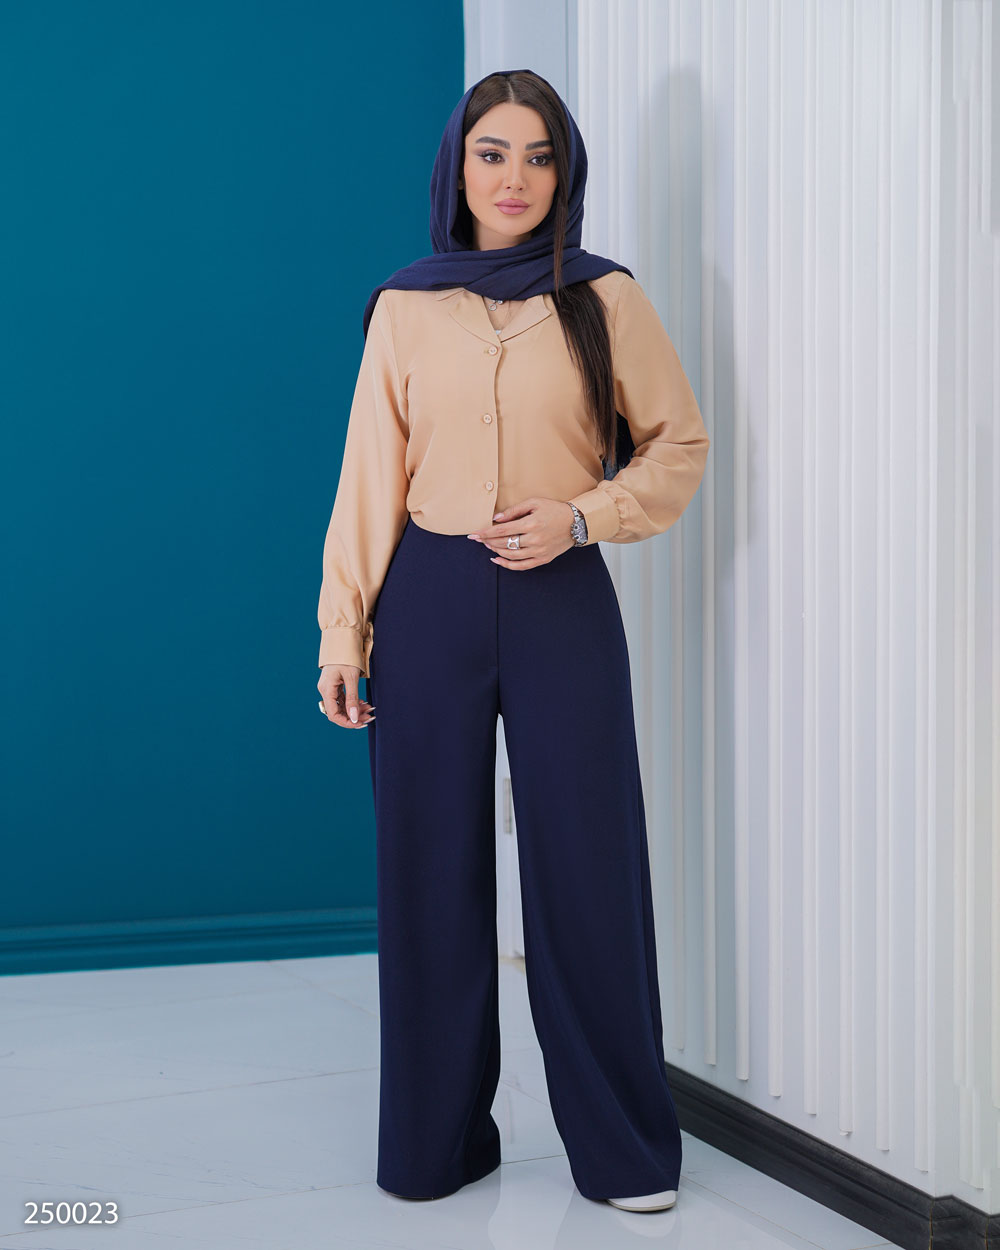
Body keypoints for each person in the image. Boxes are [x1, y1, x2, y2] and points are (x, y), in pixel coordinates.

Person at [315, 68, 709, 1212]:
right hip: (426, 600)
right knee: (428, 872)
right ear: (458, 167)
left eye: (539, 156)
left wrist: (583, 516)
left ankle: (624, 1149)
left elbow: (678, 444)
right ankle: (435, 1143)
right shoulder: (405, 306)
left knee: (588, 867)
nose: (515, 178)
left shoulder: (604, 297)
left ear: (564, 173)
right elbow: (368, 478)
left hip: (561, 594)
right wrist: (343, 631)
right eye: (493, 153)